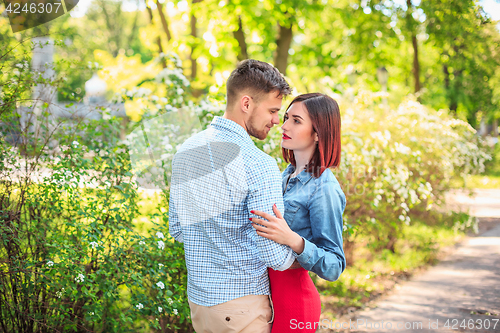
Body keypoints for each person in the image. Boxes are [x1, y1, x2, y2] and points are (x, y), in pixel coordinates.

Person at [168, 59, 296, 333]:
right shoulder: (258, 164)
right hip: (242, 307)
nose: (276, 120)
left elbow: (178, 229)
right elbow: (274, 255)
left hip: (200, 306)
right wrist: (304, 253)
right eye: (273, 110)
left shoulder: (185, 152)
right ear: (246, 104)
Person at [250, 93, 347, 332]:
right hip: (266, 296)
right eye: (285, 118)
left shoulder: (324, 188)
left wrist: (293, 240)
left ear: (318, 133)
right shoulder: (285, 175)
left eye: (296, 120)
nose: (283, 126)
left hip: (295, 303)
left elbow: (334, 265)